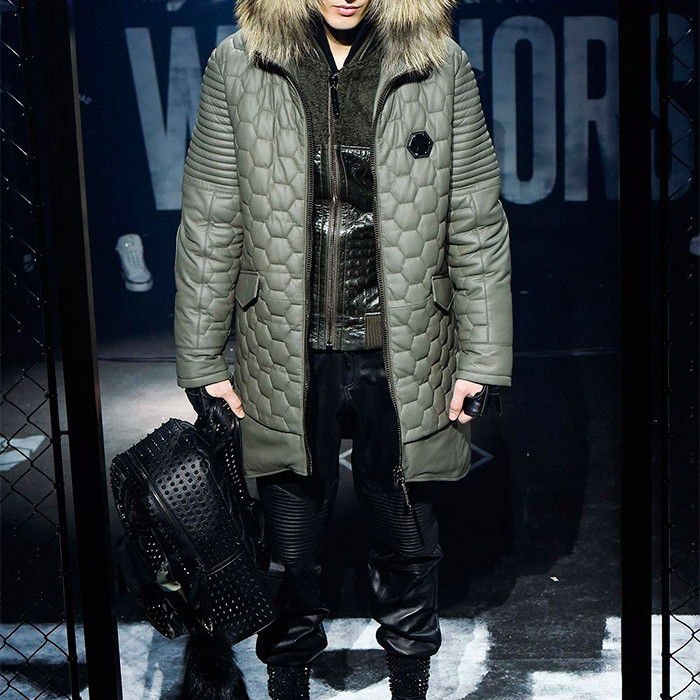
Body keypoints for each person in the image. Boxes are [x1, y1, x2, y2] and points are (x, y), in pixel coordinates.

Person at [173, 0, 513, 698]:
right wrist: (202, 358)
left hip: (406, 341)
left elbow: (475, 219)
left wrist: (483, 357)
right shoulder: (239, 64)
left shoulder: (438, 64)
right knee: (289, 539)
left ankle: (410, 681)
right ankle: (288, 679)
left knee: (407, 527)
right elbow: (211, 217)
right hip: (283, 343)